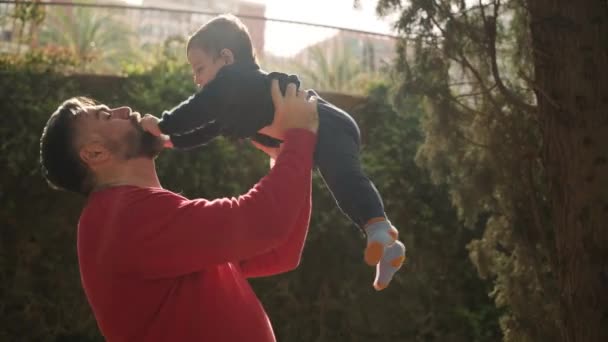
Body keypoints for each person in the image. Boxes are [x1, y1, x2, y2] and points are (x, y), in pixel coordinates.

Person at [141, 14, 406, 290]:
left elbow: (199, 108)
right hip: (315, 129)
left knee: (344, 177)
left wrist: (163, 124)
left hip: (327, 122)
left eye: (199, 68)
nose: (197, 80)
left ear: (226, 58)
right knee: (340, 186)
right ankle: (387, 248)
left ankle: (378, 227)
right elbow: (210, 128)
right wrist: (173, 141)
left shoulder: (235, 79)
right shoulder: (234, 100)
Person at [39, 81, 319, 342]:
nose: (123, 110)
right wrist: (298, 135)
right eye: (107, 116)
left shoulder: (141, 214)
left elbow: (279, 252)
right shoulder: (123, 218)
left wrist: (290, 155)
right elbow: (264, 224)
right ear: (96, 154)